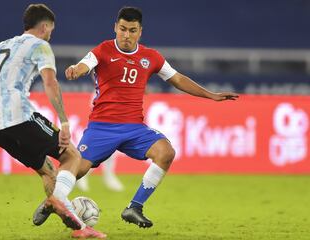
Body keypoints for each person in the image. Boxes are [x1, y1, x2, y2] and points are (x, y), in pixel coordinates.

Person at [34, 6, 238, 229]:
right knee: (76, 170)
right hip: (102, 127)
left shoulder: (151, 57)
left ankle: (135, 207)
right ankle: (49, 203)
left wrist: (211, 95)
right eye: (122, 29)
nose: (126, 35)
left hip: (134, 128)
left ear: (140, 31)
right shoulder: (103, 50)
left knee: (166, 152)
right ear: (115, 27)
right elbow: (85, 64)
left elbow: (178, 79)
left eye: (132, 30)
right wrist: (76, 69)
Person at [0, 3, 105, 239]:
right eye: (51, 31)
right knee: (71, 156)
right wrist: (64, 123)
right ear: (44, 27)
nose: (50, 36)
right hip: (20, 118)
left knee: (49, 173)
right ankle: (58, 203)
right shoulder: (40, 46)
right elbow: (50, 82)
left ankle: (75, 225)